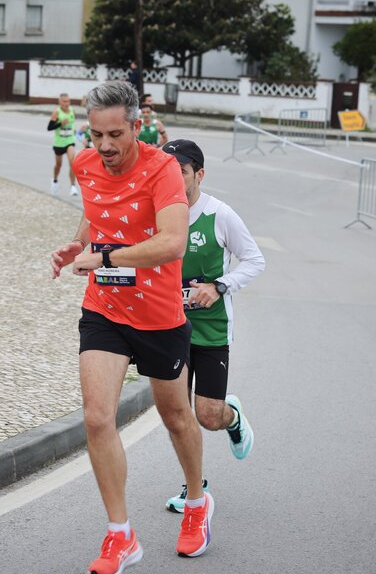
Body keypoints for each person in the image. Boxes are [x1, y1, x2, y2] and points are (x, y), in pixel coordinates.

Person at [51, 81, 213, 574]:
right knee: (98, 417)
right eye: (96, 135)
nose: (104, 146)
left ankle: (197, 500)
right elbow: (96, 214)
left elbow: (173, 242)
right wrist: (78, 245)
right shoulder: (85, 163)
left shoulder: (162, 169)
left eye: (115, 135)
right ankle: (121, 535)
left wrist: (105, 258)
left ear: (136, 127)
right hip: (105, 309)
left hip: (159, 315)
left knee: (176, 417)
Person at [161, 139, 265, 513]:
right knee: (177, 416)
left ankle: (231, 417)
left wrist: (219, 286)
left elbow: (254, 260)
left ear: (199, 174)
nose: (173, 178)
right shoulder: (157, 213)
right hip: (169, 328)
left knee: (207, 416)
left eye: (181, 171)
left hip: (211, 330)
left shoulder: (219, 214)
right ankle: (194, 489)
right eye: (166, 171)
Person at [47, 93, 78, 196]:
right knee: (58, 165)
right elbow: (49, 127)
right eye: (64, 101)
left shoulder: (72, 111)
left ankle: (73, 186)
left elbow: (73, 123)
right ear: (60, 102)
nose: (67, 103)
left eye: (68, 101)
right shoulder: (57, 112)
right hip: (59, 143)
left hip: (69, 141)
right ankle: (55, 180)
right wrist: (61, 123)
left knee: (73, 162)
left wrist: (74, 130)